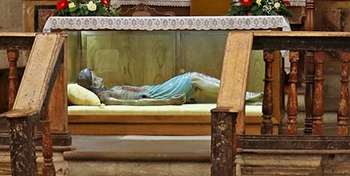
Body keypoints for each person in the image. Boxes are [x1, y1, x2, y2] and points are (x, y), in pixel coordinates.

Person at [76, 68, 259, 106]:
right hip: (158, 94)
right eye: (95, 77)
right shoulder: (106, 97)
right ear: (92, 84)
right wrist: (168, 101)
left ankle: (243, 95)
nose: (100, 77)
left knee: (196, 77)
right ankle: (241, 95)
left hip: (157, 88)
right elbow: (136, 104)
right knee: (194, 78)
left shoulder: (110, 89)